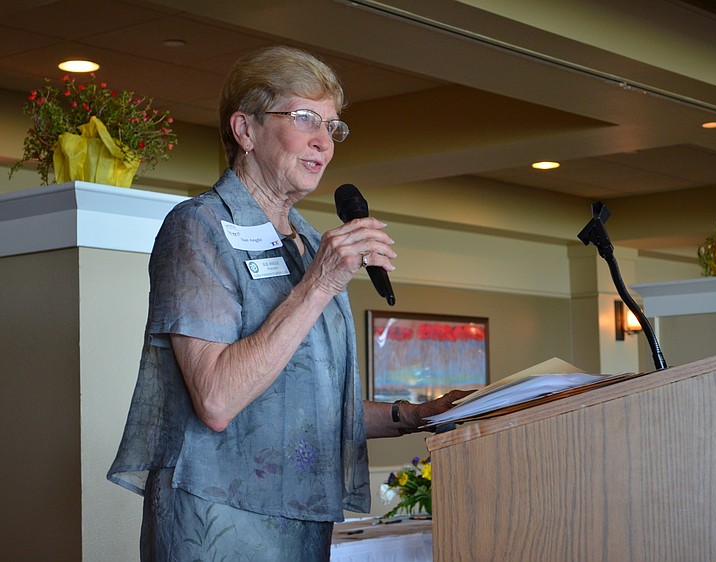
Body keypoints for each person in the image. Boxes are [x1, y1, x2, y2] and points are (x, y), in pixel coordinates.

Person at [108, 45, 471, 561]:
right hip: (219, 523)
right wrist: (319, 285)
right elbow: (216, 400)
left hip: (301, 522)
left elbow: (304, 405)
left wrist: (414, 415)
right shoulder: (199, 228)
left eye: (332, 126)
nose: (324, 141)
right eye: (305, 119)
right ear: (245, 130)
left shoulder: (308, 244)